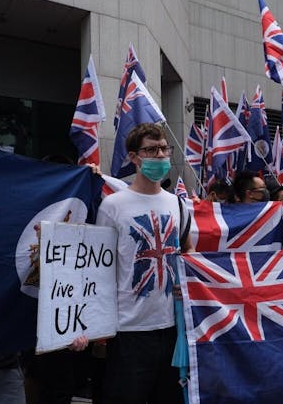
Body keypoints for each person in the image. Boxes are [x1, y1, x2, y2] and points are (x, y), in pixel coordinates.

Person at [81, 123, 190, 404]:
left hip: (172, 330)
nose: (160, 155)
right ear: (134, 157)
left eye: (165, 148)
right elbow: (98, 269)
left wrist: (187, 283)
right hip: (128, 332)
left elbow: (188, 253)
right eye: (151, 150)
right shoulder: (113, 206)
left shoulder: (178, 204)